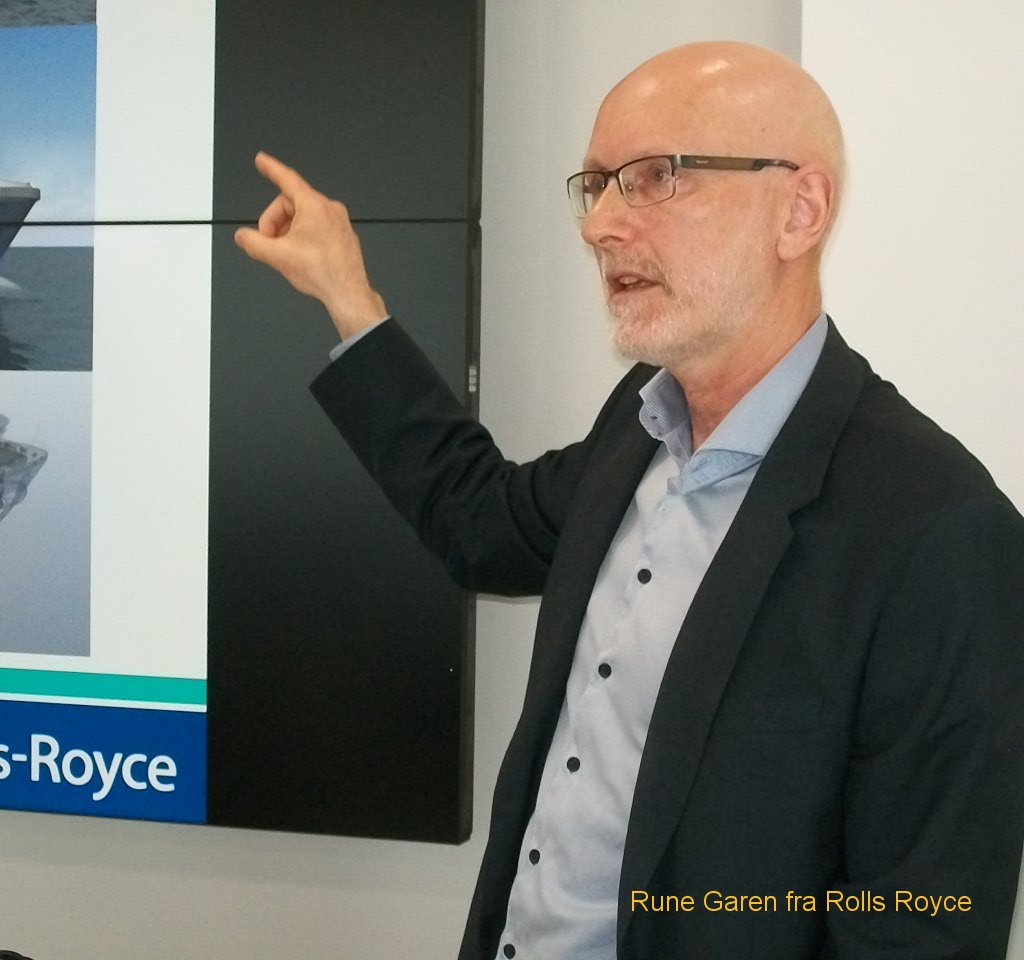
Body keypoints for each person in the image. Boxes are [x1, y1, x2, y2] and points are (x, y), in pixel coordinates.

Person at [235, 41, 1024, 960]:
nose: (600, 226)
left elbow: (922, 930)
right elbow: (481, 520)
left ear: (800, 211)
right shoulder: (639, 424)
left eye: (656, 177)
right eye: (599, 184)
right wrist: (349, 297)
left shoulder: (939, 533)